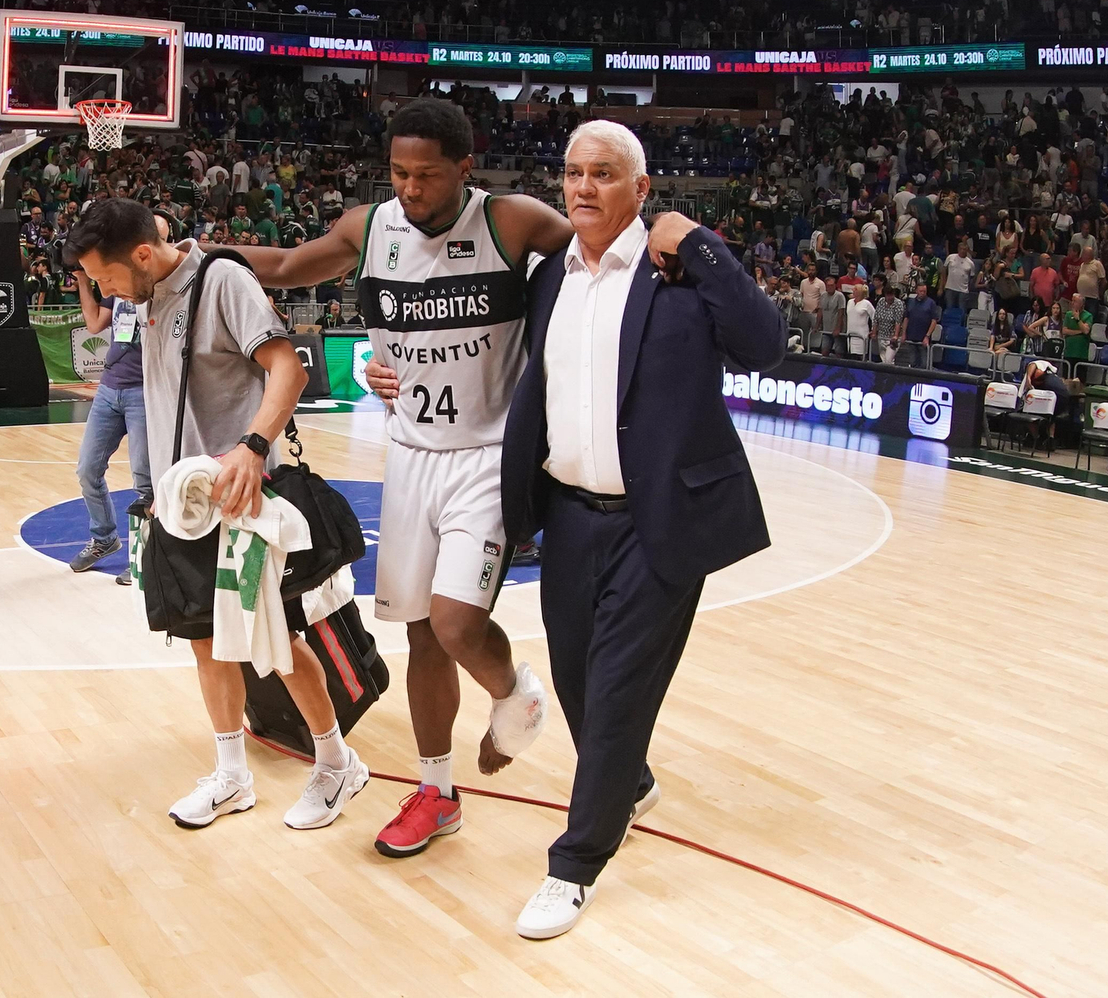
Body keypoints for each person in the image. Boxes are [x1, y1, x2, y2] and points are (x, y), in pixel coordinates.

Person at [231, 98, 573, 857]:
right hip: (410, 455)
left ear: (464, 168)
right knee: (421, 634)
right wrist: (199, 253)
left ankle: (514, 691)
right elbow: (284, 267)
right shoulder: (369, 227)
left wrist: (671, 237)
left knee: (455, 624)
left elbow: (595, 245)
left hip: (487, 454)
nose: (411, 188)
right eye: (398, 173)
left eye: (427, 175)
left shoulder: (511, 220)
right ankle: (436, 793)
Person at [499, 123, 785, 939]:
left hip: (659, 522)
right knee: (578, 681)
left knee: (619, 690)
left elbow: (765, 345)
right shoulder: (549, 279)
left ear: (641, 189)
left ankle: (575, 864)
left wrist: (697, 242)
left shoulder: (679, 274)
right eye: (573, 173)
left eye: (603, 173)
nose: (584, 188)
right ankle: (629, 784)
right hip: (567, 515)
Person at [64, 198, 370, 831]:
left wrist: (253, 447)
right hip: (185, 503)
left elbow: (287, 368)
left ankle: (338, 761)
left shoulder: (223, 280)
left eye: (105, 276)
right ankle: (232, 775)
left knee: (273, 638)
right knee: (205, 640)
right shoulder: (147, 292)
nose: (103, 290)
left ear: (140, 255)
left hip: (242, 496)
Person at [67, 220, 157, 574]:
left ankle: (147, 556)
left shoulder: (158, 284)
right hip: (109, 388)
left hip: (143, 391)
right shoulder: (113, 283)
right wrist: (83, 282)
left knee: (145, 478)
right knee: (87, 470)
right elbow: (94, 325)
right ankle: (104, 538)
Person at [899, 282, 939, 368]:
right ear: (916, 291)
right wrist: (904, 333)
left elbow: (934, 321)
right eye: (921, 291)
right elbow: (906, 318)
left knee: (924, 364)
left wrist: (927, 336)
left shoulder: (931, 303)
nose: (923, 293)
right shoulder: (910, 302)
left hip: (923, 339)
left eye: (924, 291)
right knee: (912, 362)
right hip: (911, 337)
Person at [845, 281, 875, 360]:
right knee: (851, 356)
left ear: (860, 292)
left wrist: (873, 330)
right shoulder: (849, 302)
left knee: (861, 356)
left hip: (862, 335)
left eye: (855, 289)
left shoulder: (866, 303)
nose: (853, 290)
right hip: (850, 334)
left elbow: (874, 317)